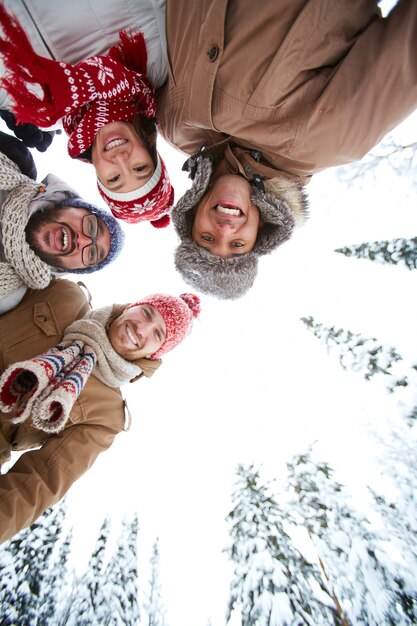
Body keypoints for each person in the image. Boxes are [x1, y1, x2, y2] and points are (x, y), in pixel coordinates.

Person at [154, 0, 417, 298]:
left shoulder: (175, 126)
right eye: (237, 245)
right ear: (262, 228)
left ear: (191, 215)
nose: (225, 229)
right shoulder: (326, 141)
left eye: (206, 237)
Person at [0, 277, 200, 543]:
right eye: (147, 312)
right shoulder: (65, 297)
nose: (142, 329)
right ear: (132, 306)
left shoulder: (106, 416)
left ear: (156, 353)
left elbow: (38, 484)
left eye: (158, 334)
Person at [0, 2, 173, 227]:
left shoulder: (39, 113)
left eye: (114, 179)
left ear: (98, 173)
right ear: (150, 149)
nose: (120, 159)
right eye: (140, 168)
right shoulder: (155, 55)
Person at [0, 148, 125, 314]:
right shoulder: (14, 162)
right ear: (73, 206)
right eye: (92, 226)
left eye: (92, 254)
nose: (83, 240)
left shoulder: (7, 298)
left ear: (71, 269)